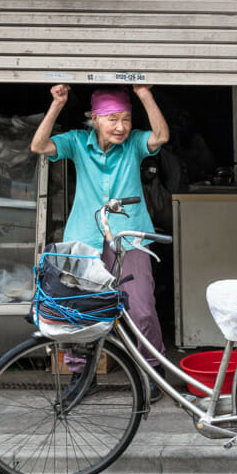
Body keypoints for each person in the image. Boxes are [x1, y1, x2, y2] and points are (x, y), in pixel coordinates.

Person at [30, 83, 171, 402]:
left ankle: (152, 371)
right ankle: (81, 374)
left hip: (129, 237)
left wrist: (145, 95)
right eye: (112, 119)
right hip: (84, 239)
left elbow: (160, 136)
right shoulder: (77, 143)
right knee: (78, 311)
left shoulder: (135, 143)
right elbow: (38, 146)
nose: (121, 127)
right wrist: (56, 105)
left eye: (126, 118)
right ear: (95, 119)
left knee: (142, 309)